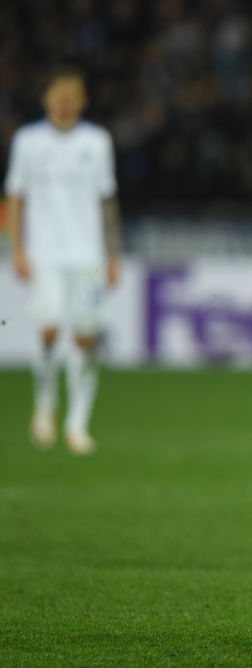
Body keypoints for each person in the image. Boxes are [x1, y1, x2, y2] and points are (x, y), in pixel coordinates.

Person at [4, 65, 121, 455]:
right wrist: (16, 249)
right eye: (59, 93)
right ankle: (45, 404)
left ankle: (77, 424)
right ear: (47, 99)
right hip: (45, 254)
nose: (65, 100)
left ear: (83, 101)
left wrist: (113, 254)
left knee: (85, 337)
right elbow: (15, 197)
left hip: (87, 252)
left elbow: (107, 201)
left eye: (73, 94)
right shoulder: (28, 141)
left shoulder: (97, 141)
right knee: (50, 330)